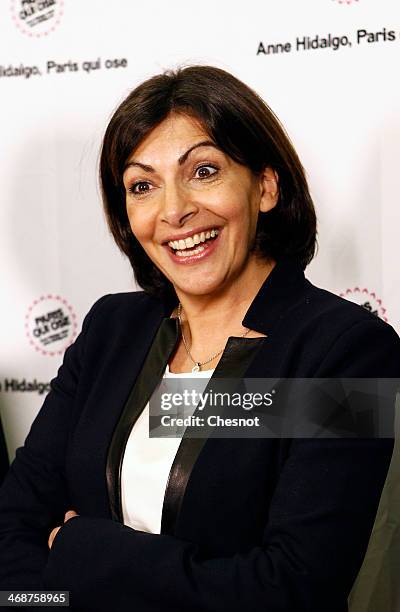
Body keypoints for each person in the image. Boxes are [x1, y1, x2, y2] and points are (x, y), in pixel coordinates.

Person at [0, 65, 399, 612]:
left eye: (204, 171)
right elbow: (11, 531)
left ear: (265, 185)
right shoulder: (110, 331)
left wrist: (81, 549)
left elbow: (294, 589)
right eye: (142, 186)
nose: (173, 211)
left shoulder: (350, 351)